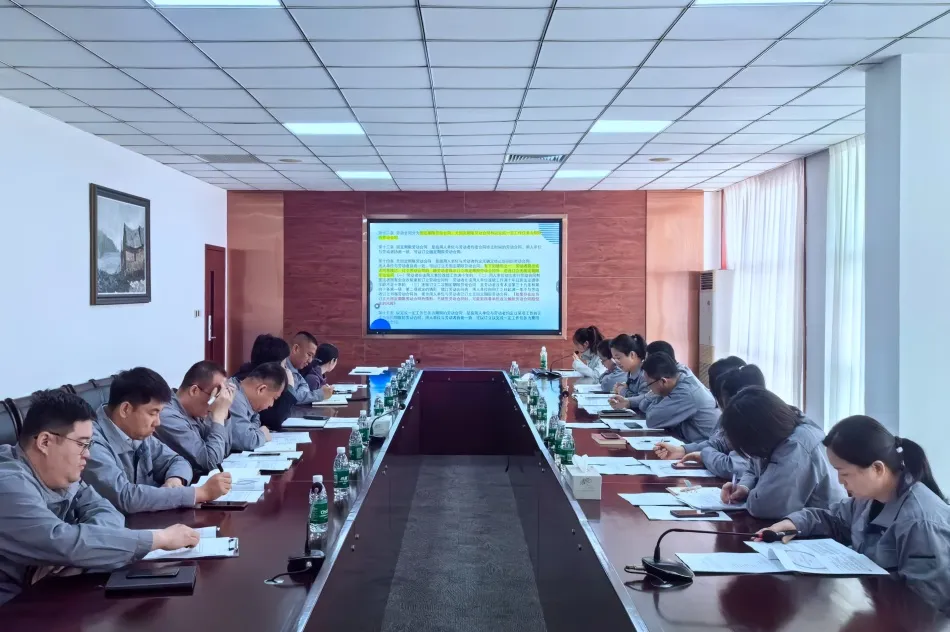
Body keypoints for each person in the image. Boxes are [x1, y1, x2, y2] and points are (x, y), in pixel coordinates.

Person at [0, 390, 200, 604]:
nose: (87, 454)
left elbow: (105, 509)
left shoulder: (60, 473)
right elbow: (62, 543)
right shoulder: (8, 483)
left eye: (89, 445)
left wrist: (84, 549)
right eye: (81, 444)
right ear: (45, 442)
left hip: (45, 593)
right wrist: (159, 539)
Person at [763, 416, 950, 615]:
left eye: (844, 473)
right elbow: (833, 518)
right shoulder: (868, 498)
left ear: (877, 468)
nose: (840, 481)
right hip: (875, 609)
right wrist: (791, 523)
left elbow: (927, 607)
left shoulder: (920, 522)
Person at [82, 368, 232, 514]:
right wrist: (200, 493)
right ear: (125, 409)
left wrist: (175, 480)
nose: (158, 422)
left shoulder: (137, 432)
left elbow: (177, 460)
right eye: (153, 413)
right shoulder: (90, 442)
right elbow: (126, 497)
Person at [719, 386, 846, 519]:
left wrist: (752, 493)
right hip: (798, 523)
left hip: (824, 526)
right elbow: (752, 467)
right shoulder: (779, 432)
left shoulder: (795, 447)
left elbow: (765, 507)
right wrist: (744, 487)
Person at [655, 357, 754, 479]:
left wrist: (704, 455)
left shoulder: (752, 421)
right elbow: (719, 443)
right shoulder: (736, 414)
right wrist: (682, 450)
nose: (718, 406)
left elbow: (732, 468)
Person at [155, 361, 235, 475]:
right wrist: (218, 417)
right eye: (215, 395)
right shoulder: (167, 416)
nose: (217, 401)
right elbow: (212, 463)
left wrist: (224, 412)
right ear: (194, 391)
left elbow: (224, 452)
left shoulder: (195, 411)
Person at [636, 352, 719, 443]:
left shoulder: (685, 392)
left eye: (649, 385)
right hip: (687, 440)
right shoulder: (678, 378)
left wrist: (656, 396)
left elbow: (652, 420)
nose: (649, 389)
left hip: (704, 446)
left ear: (663, 381)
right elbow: (643, 407)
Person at [233, 334, 297, 431]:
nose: (286, 369)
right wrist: (290, 388)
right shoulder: (248, 383)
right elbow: (274, 419)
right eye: (284, 365)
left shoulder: (249, 376)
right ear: (274, 366)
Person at [229, 361, 287, 450]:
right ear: (261, 389)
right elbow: (246, 441)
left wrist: (255, 432)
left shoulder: (246, 400)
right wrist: (262, 434)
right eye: (274, 398)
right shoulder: (233, 396)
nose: (271, 405)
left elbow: (256, 421)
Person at [606, 334, 649, 410]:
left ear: (632, 355)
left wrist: (623, 391)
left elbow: (646, 399)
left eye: (618, 357)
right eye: (614, 358)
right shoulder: (631, 372)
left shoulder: (645, 374)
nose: (616, 362)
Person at [285, 331, 326, 404]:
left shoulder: (296, 369)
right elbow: (292, 398)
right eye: (309, 355)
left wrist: (299, 394)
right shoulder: (282, 370)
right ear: (296, 349)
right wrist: (320, 394)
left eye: (312, 357)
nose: (310, 361)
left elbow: (305, 386)